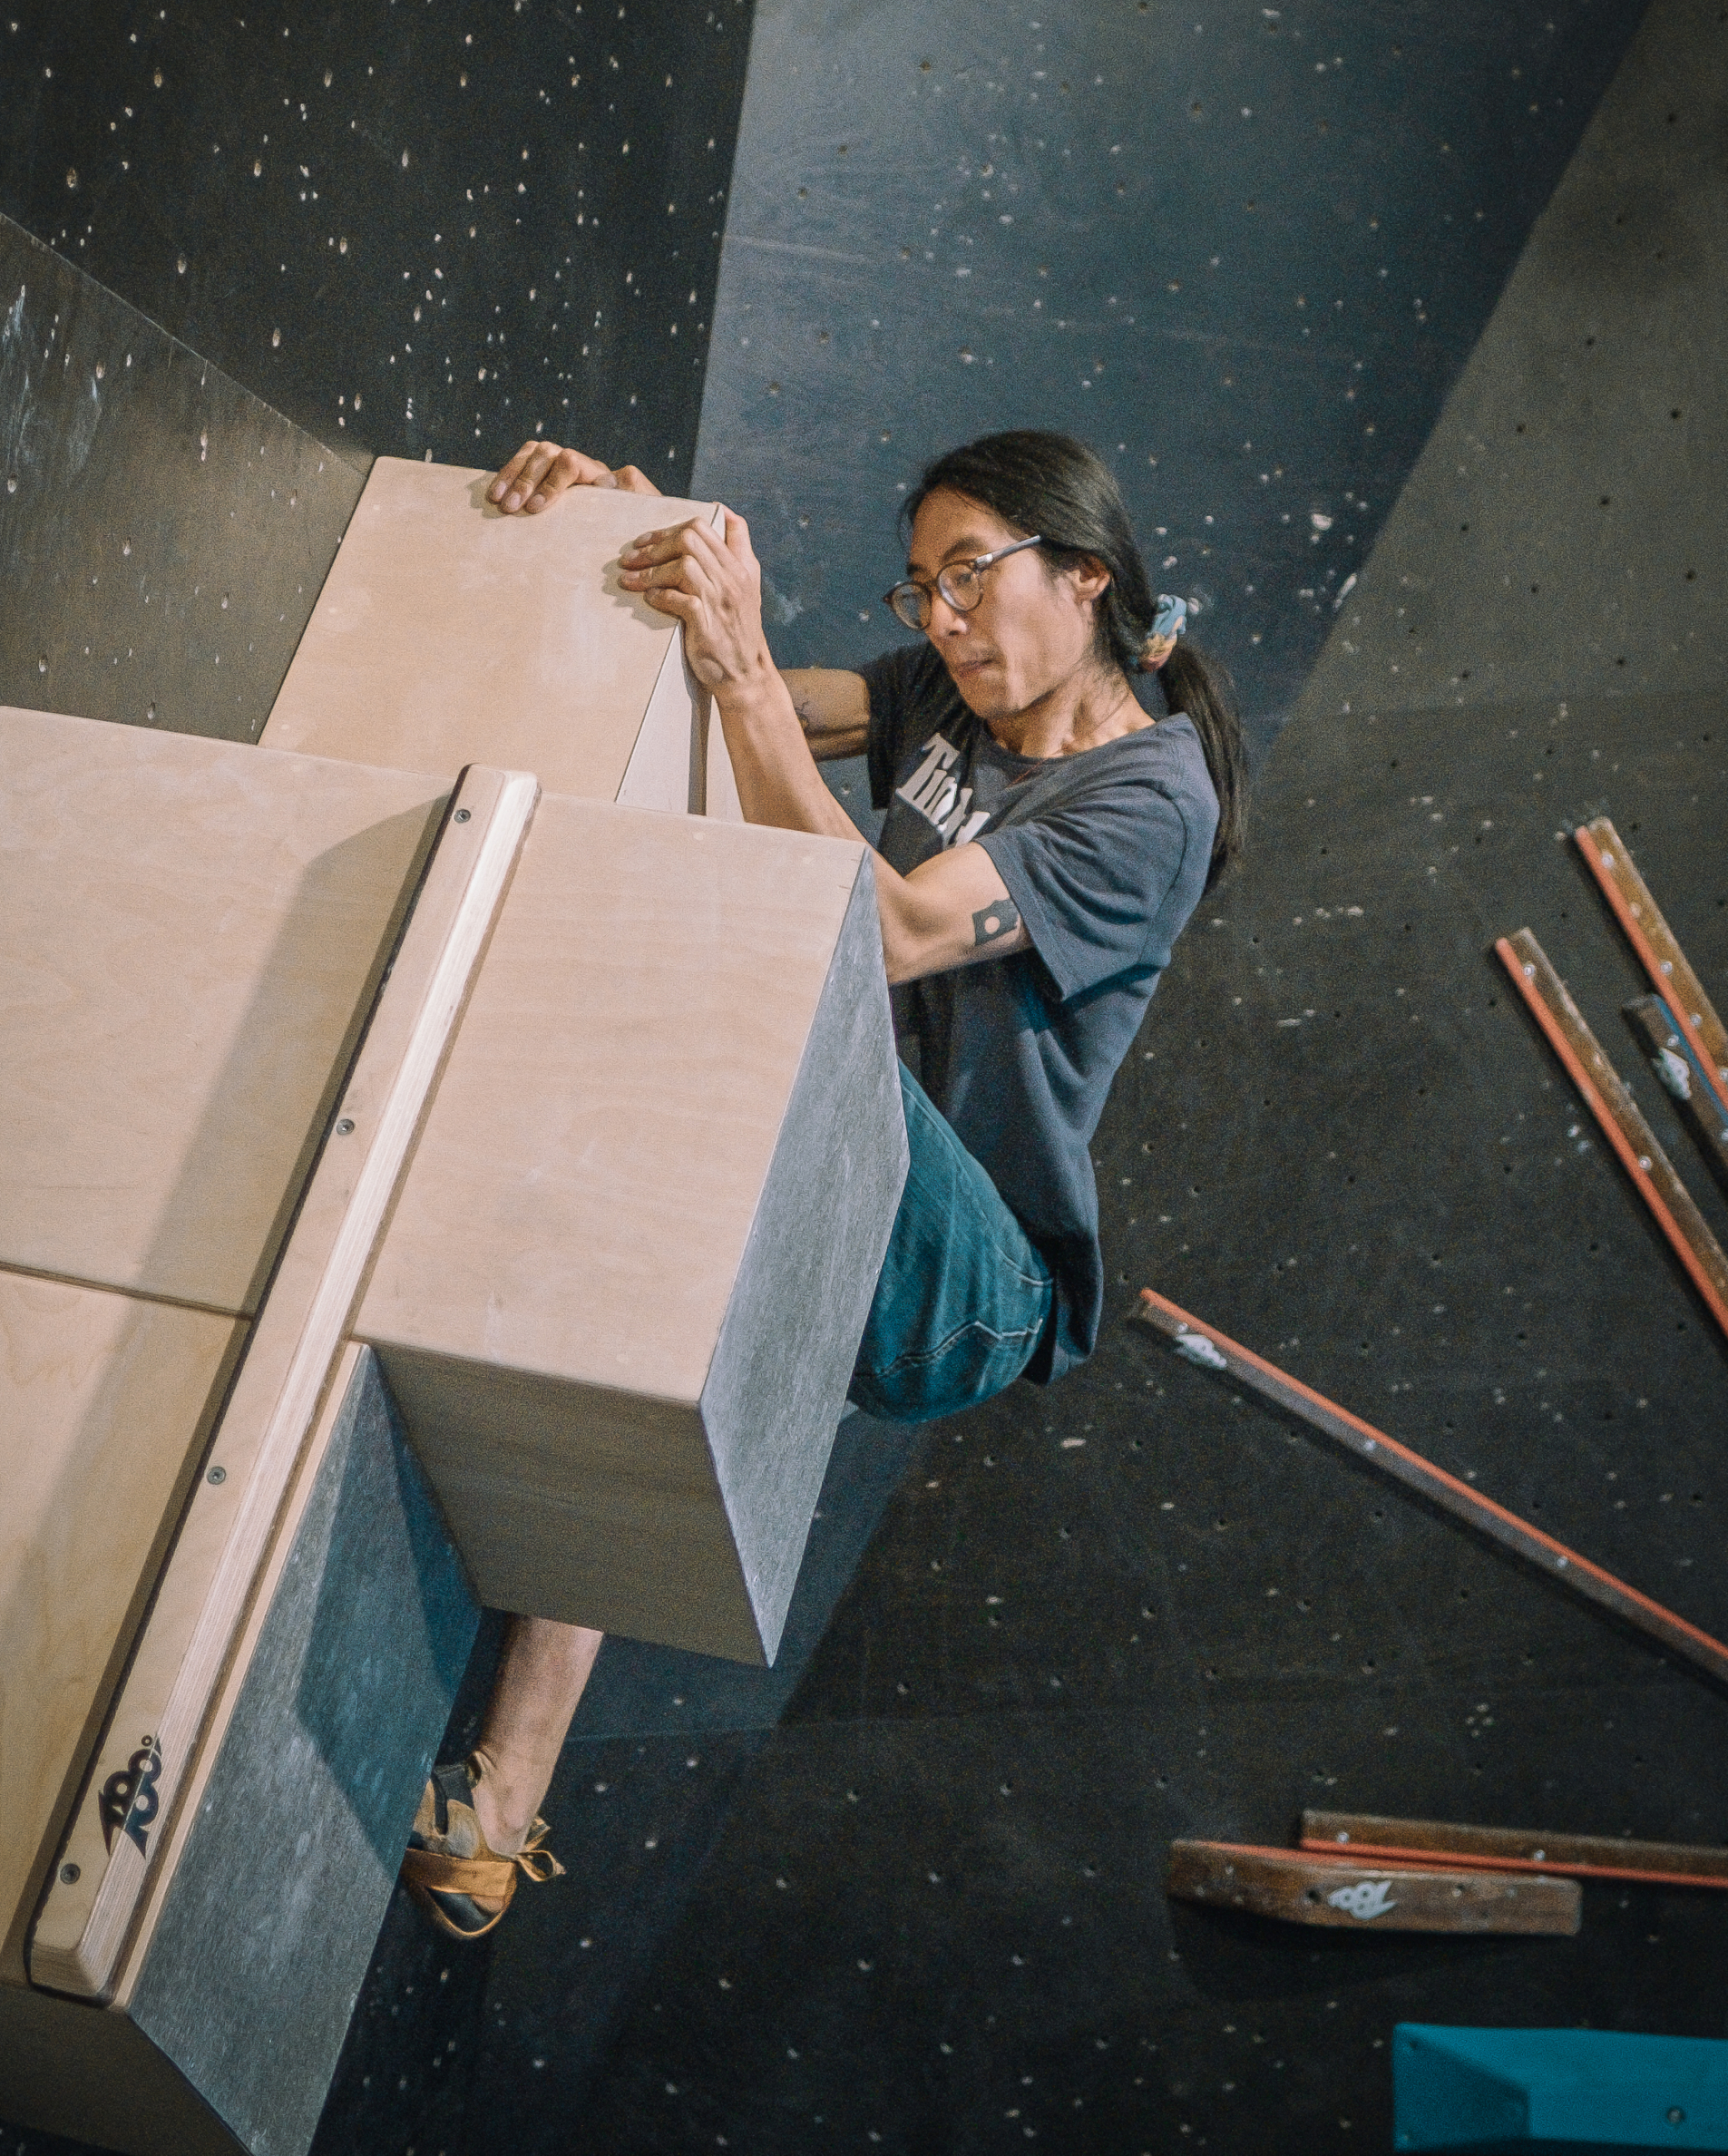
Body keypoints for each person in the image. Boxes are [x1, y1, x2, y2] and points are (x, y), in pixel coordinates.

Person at [398, 428, 1248, 1939]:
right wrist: (637, 551)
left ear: (1088, 574)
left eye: (973, 575)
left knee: (756, 1002)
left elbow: (902, 931)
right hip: (835, 1148)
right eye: (921, 587)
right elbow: (758, 702)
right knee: (670, 1288)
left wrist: (732, 679)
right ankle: (500, 1812)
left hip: (972, 1285)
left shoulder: (1150, 806)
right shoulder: (939, 690)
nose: (943, 619)